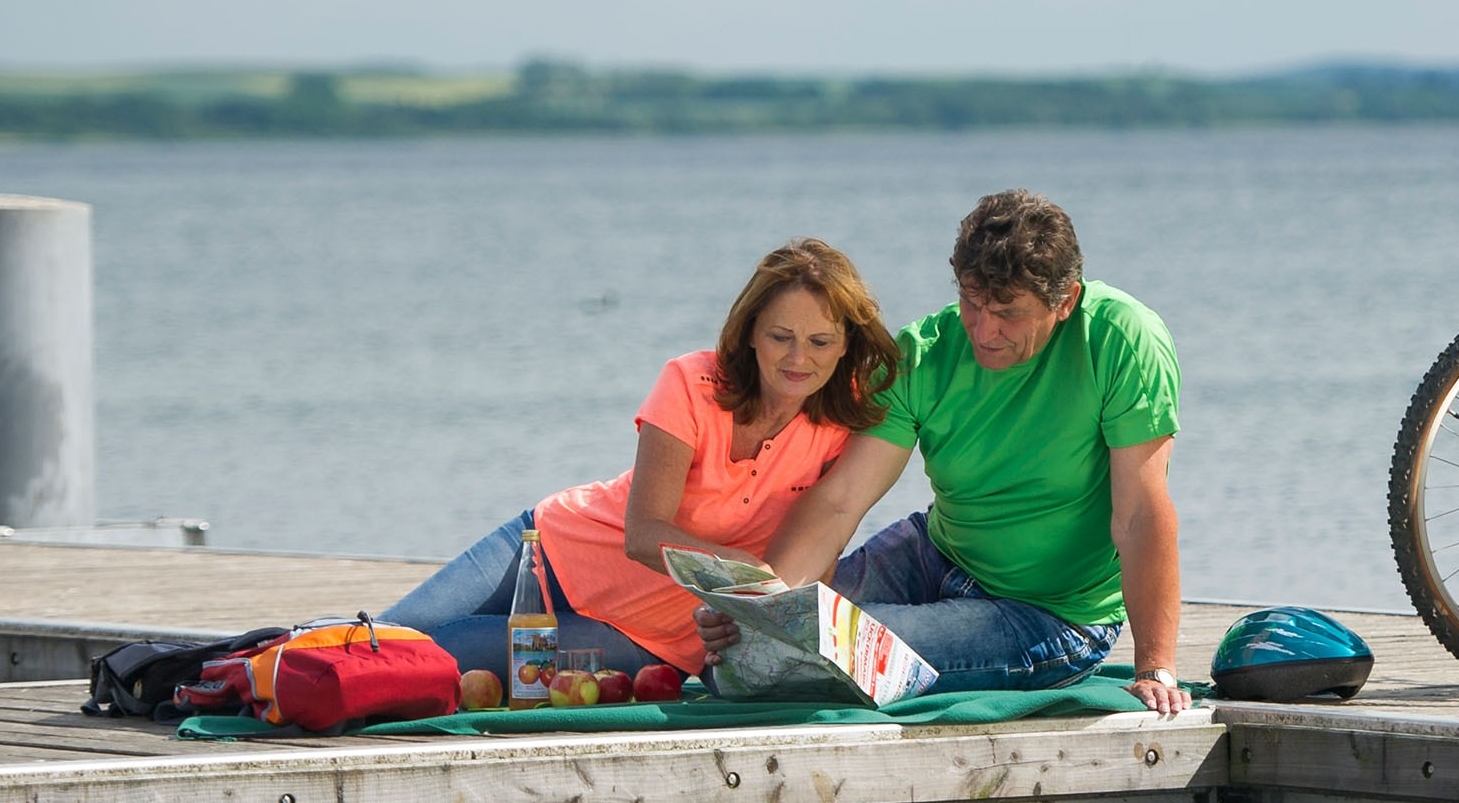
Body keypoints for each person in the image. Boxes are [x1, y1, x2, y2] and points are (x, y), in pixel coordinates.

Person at [705, 189, 1191, 717]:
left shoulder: (1121, 339)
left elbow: (1141, 514)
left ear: (1066, 300)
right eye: (971, 302)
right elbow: (842, 498)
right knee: (757, 639)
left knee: (826, 652)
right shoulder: (926, 352)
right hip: (936, 553)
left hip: (1048, 615)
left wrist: (1155, 669)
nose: (984, 330)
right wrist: (764, 603)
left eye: (1008, 312)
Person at [380, 240, 899, 686]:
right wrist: (748, 575)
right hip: (551, 547)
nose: (797, 358)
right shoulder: (693, 384)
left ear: (846, 344)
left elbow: (818, 553)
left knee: (438, 655)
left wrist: (749, 617)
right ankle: (298, 652)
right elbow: (643, 534)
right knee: (387, 637)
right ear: (749, 330)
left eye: (820, 342)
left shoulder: (846, 426)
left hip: (651, 640)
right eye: (780, 336)